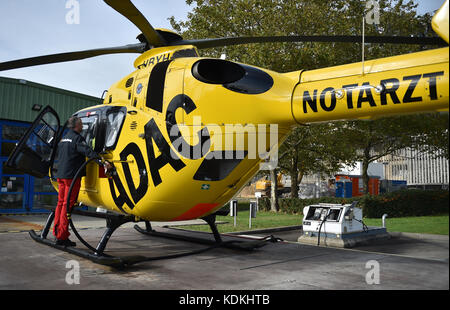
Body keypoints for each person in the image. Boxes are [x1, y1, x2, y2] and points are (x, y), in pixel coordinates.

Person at [53, 116, 111, 246]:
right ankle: (62, 237)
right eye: (81, 124)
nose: (83, 127)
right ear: (76, 126)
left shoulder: (63, 138)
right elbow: (89, 152)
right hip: (71, 178)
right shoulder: (77, 139)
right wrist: (103, 163)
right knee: (67, 206)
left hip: (61, 176)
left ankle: (57, 232)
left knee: (61, 204)